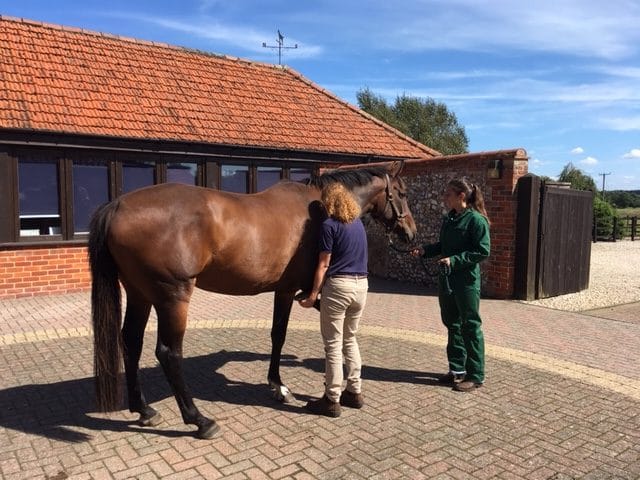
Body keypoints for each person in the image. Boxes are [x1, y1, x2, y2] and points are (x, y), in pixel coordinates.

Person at [411, 178, 490, 392]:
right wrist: (426, 250)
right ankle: (457, 370)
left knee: (470, 326)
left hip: (466, 283)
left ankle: (475, 374)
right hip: (446, 280)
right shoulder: (450, 219)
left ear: (461, 196)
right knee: (452, 324)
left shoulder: (476, 220)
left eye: (448, 194)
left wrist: (454, 260)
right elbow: (444, 245)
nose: (445, 197)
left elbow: (483, 250)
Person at [299, 183, 369, 417]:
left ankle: (331, 398)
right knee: (350, 339)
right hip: (362, 286)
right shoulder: (358, 224)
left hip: (339, 286)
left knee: (332, 344)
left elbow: (323, 264)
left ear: (329, 203)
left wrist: (312, 295)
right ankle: (355, 391)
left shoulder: (329, 226)